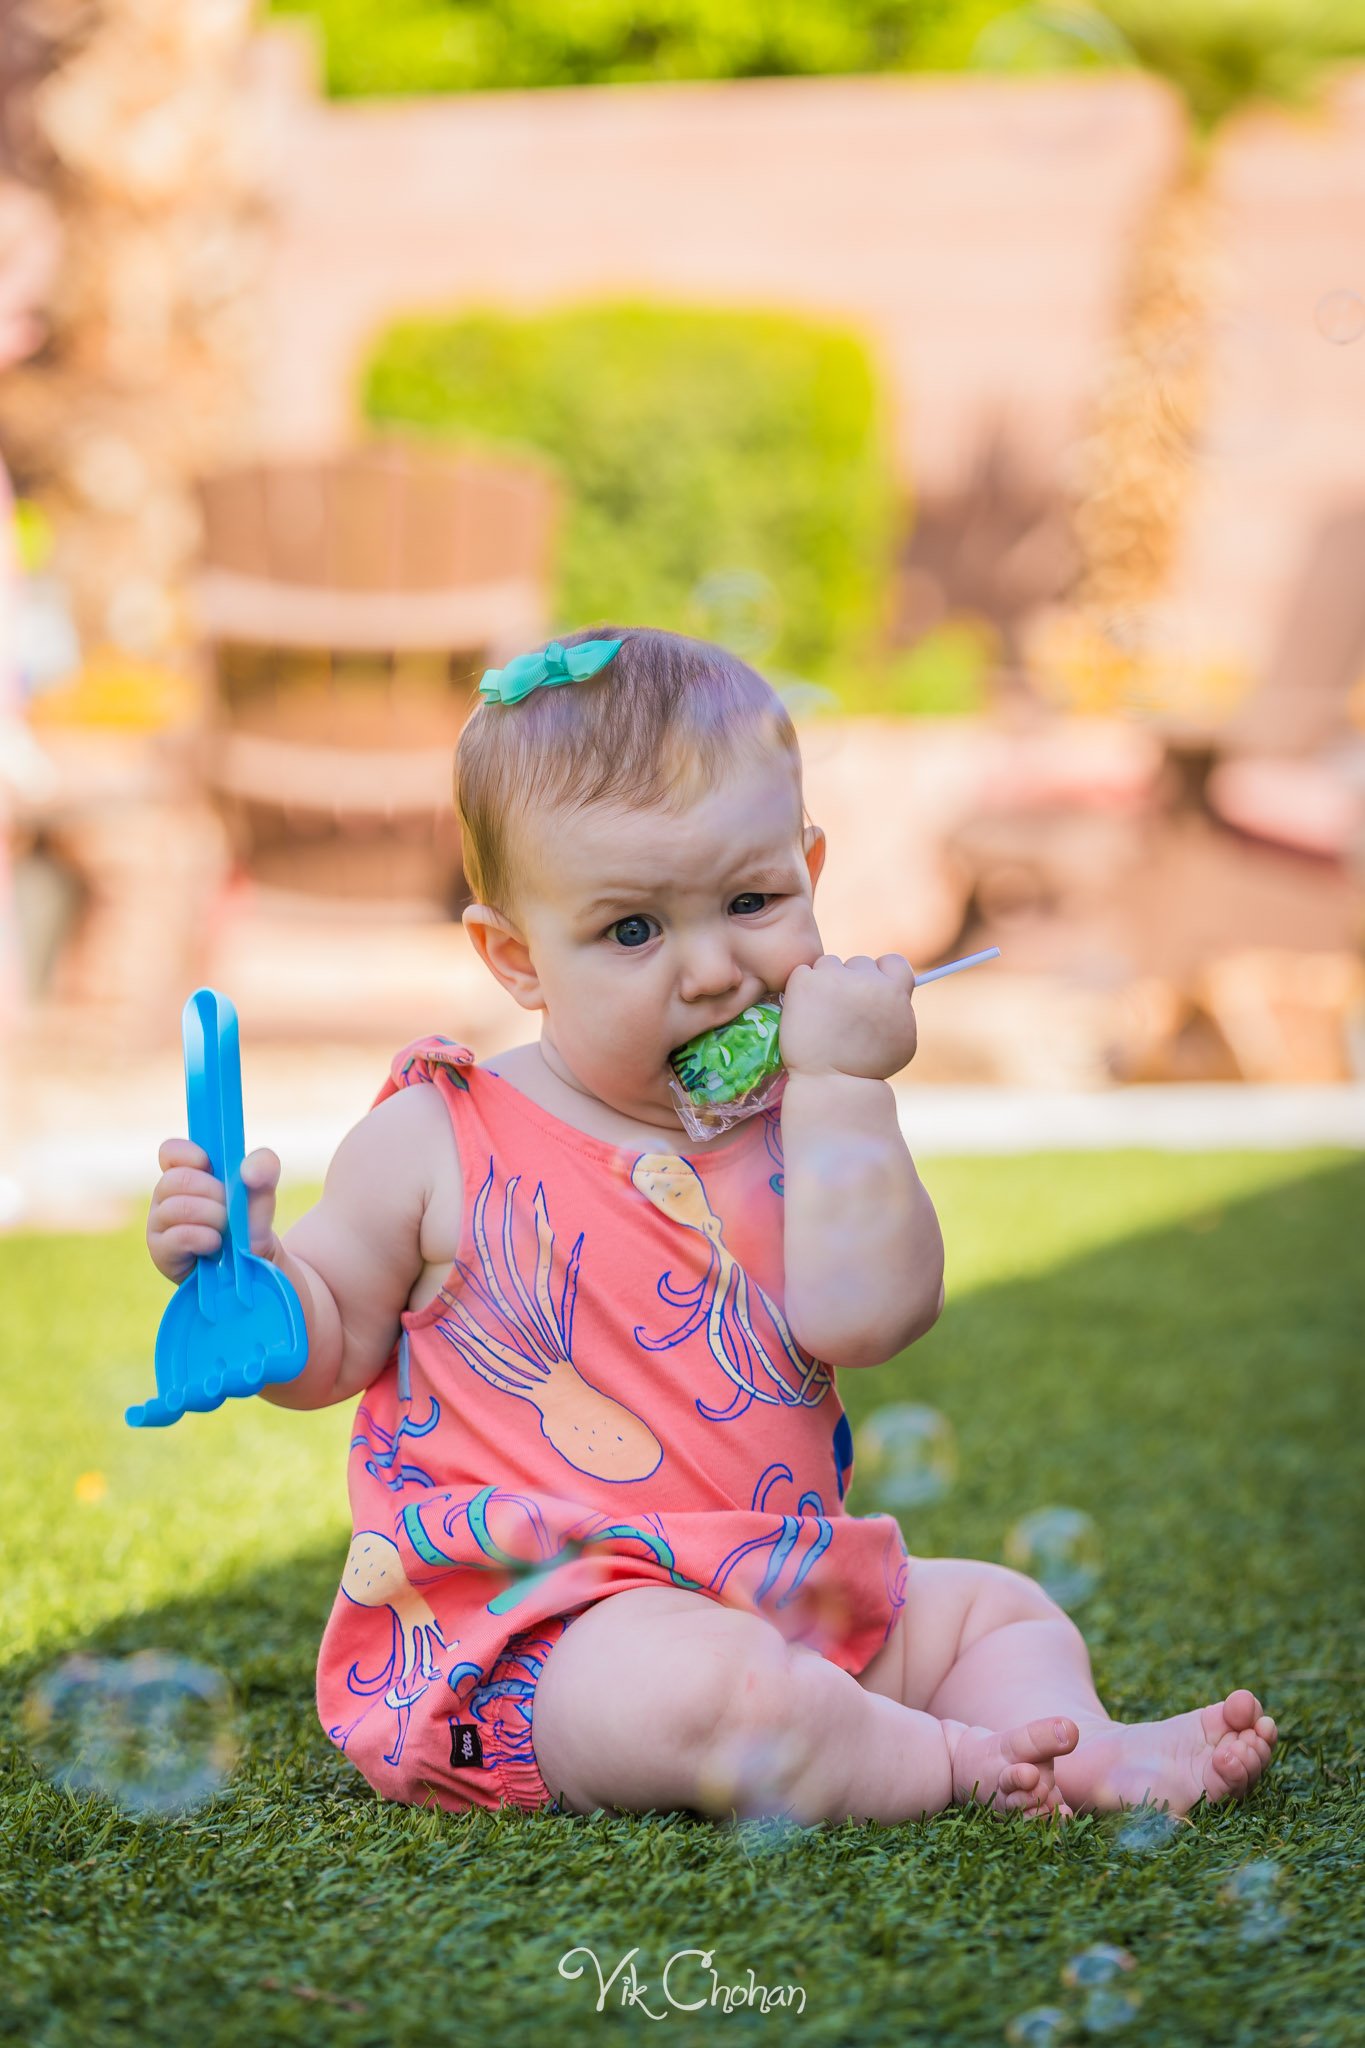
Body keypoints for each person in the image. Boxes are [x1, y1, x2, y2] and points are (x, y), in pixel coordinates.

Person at [145, 627, 1278, 1825]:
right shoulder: (438, 1131)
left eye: (751, 901)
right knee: (722, 1690)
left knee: (999, 1606)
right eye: (633, 930)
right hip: (542, 1636)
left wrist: (848, 1093)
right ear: (516, 955)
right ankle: (951, 1762)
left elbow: (871, 1313)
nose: (711, 970)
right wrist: (257, 1272)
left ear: (811, 870)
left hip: (791, 1589)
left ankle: (1077, 1747)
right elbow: (328, 1346)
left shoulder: (806, 1126)